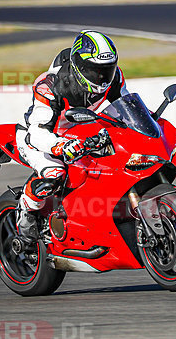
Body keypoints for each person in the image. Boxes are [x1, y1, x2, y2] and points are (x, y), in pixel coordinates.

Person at [15, 30, 128, 239]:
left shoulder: (114, 78)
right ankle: (25, 212)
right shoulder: (50, 85)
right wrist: (60, 147)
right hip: (39, 136)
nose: (102, 77)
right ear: (79, 67)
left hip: (79, 128)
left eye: (107, 69)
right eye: (95, 70)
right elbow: (38, 132)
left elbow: (125, 108)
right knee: (55, 173)